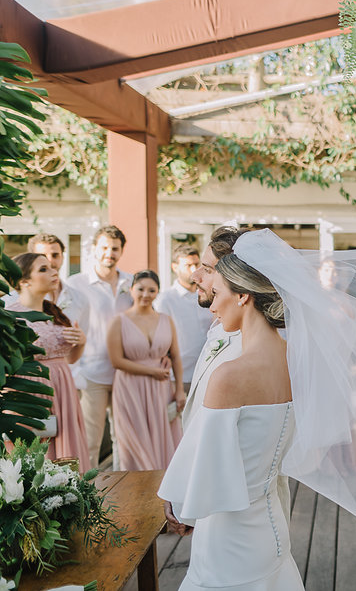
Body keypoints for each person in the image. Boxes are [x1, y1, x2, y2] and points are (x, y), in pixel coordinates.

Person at [157, 230, 356, 589]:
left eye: (218, 292)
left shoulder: (230, 375)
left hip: (228, 535)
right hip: (271, 523)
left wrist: (178, 505)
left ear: (242, 296)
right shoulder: (295, 362)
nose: (211, 304)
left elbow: (205, 469)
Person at [166, 227, 249, 538]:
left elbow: (218, 435)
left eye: (208, 269)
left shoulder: (246, 348)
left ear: (236, 279)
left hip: (225, 507)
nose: (195, 276)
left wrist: (185, 496)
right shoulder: (222, 330)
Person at [6, 253, 90, 471]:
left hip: (62, 389)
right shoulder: (11, 317)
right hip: (30, 391)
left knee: (65, 455)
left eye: (52, 268)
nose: (54, 272)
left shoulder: (55, 312)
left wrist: (81, 342)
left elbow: (70, 358)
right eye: (43, 269)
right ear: (24, 281)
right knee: (33, 455)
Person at [65, 225, 133, 470]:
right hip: (91, 374)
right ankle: (90, 498)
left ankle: (126, 496)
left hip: (125, 373)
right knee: (90, 443)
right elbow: (66, 328)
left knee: (125, 441)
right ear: (94, 249)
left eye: (115, 248)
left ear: (121, 251)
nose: (109, 253)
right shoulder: (76, 284)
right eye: (104, 247)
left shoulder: (132, 283)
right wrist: (75, 371)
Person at [107, 270, 184, 471]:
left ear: (158, 292)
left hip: (161, 389)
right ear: (131, 290)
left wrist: (179, 390)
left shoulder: (166, 320)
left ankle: (162, 493)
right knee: (134, 443)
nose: (145, 294)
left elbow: (175, 356)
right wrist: (152, 372)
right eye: (140, 289)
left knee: (162, 439)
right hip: (130, 388)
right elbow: (116, 361)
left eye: (152, 290)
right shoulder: (119, 321)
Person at [156, 245, 213, 394]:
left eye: (196, 264)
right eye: (188, 265)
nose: (193, 269)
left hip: (206, 374)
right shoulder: (165, 300)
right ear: (175, 267)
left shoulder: (208, 295)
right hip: (177, 378)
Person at [26, 232, 89, 329]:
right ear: (30, 259)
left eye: (55, 255)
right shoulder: (14, 301)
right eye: (43, 256)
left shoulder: (80, 299)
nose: (50, 261)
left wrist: (81, 342)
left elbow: (84, 336)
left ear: (62, 257)